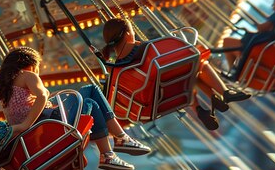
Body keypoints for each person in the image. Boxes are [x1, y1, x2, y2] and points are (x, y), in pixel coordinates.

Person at [0, 46, 151, 170]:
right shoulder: (27, 75)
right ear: (31, 64)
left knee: (90, 103)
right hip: (52, 124)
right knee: (91, 89)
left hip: (41, 132)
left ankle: (109, 154)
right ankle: (120, 139)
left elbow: (30, 106)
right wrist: (26, 124)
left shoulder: (6, 91)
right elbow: (41, 97)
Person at [101, 18, 249, 131]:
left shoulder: (116, 72)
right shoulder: (147, 49)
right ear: (128, 35)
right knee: (196, 62)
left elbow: (118, 104)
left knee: (181, 74)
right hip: (170, 86)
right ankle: (224, 92)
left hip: (151, 105)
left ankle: (203, 107)